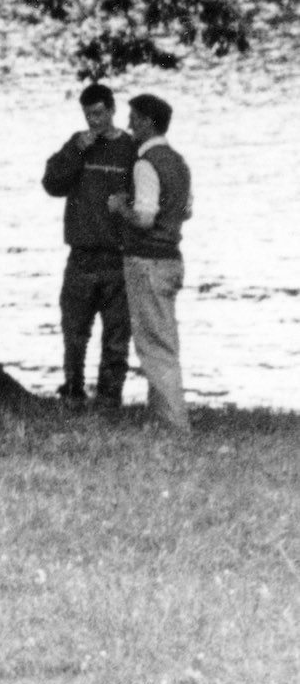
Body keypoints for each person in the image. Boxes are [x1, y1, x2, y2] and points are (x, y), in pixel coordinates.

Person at [41, 82, 137, 410]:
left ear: (112, 110)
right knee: (74, 332)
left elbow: (145, 194)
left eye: (98, 113)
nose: (94, 121)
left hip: (117, 257)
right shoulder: (78, 144)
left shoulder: (129, 148)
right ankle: (73, 391)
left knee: (116, 335)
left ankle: (110, 399)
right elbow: (51, 184)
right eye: (88, 115)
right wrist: (75, 151)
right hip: (81, 255)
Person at [116, 91, 192, 432]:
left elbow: (145, 218)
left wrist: (120, 209)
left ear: (148, 122)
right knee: (163, 340)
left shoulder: (145, 163)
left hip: (147, 261)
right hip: (172, 260)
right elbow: (186, 210)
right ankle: (161, 418)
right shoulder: (178, 161)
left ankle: (174, 426)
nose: (128, 123)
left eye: (133, 117)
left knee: (154, 346)